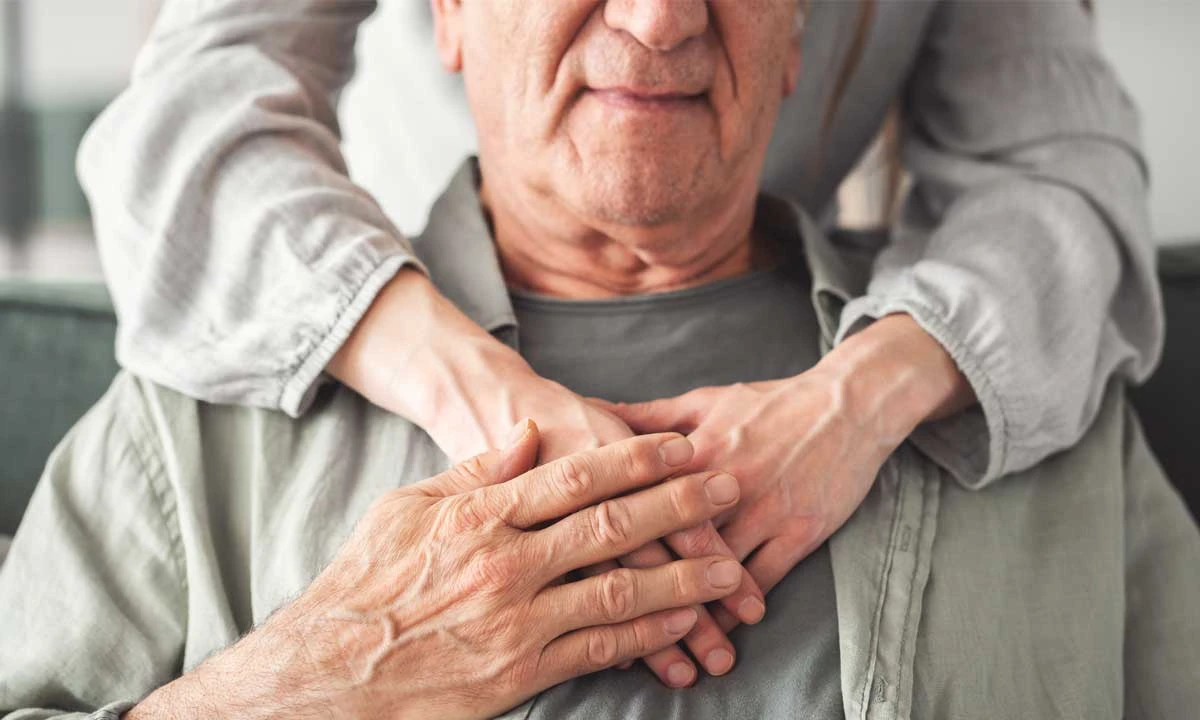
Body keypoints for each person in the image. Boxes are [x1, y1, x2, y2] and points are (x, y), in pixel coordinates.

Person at [3, 2, 1198, 718]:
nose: (662, 18)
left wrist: (870, 397)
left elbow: (1066, 167)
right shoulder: (196, 426)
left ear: (796, 33)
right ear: (449, 11)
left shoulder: (1041, 404)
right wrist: (319, 683)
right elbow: (184, 116)